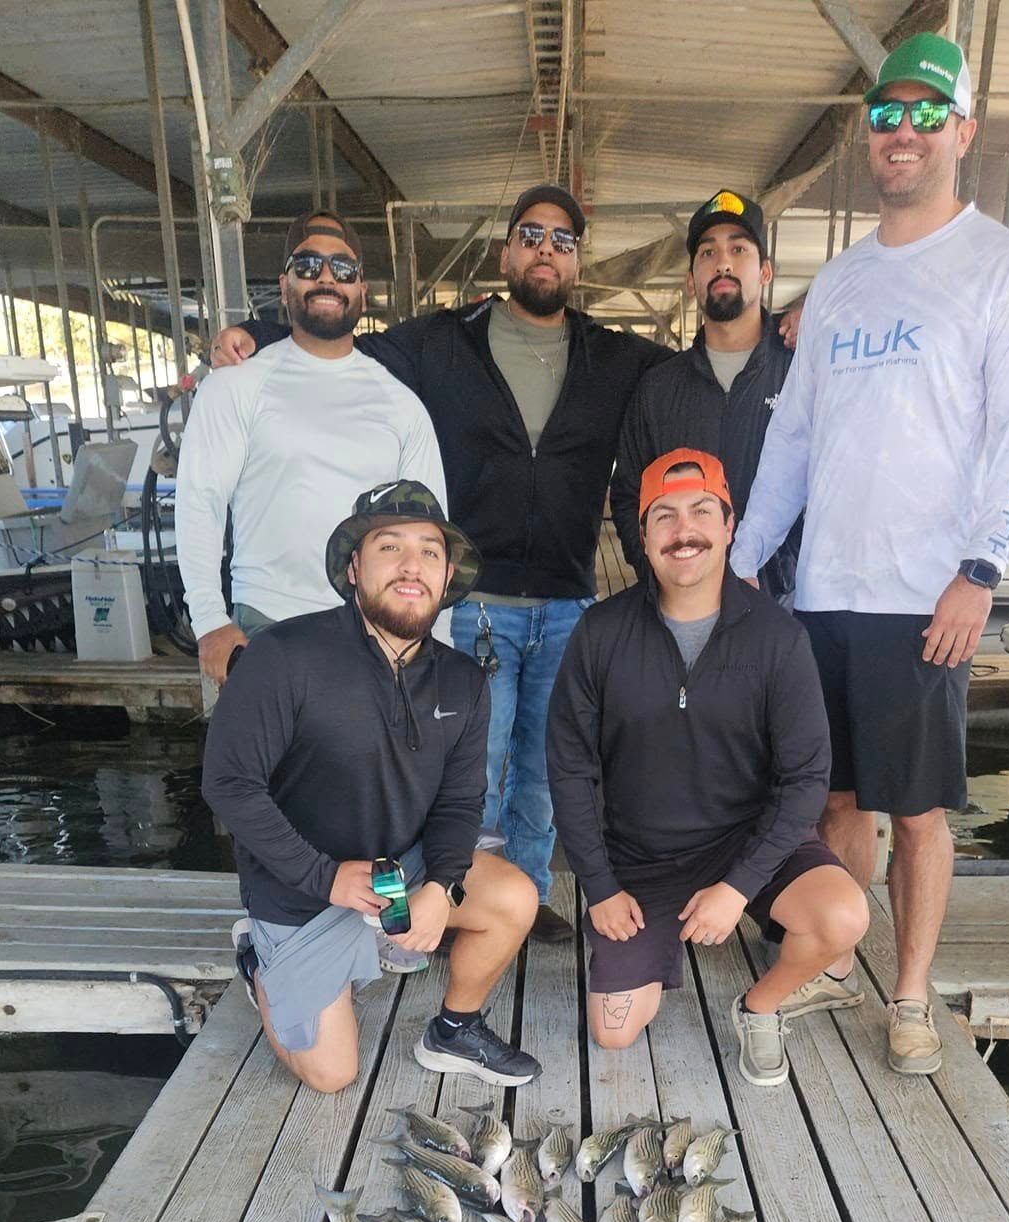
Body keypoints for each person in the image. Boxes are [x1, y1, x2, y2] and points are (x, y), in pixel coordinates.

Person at [207, 185, 672, 942]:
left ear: (578, 260)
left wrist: (784, 331)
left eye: (561, 239)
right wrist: (255, 332)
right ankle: (448, 898)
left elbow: (698, 363)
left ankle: (521, 897)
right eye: (530, 235)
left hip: (565, 598)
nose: (545, 250)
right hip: (477, 596)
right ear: (505, 252)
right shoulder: (442, 340)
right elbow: (340, 334)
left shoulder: (614, 355)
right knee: (471, 766)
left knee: (549, 768)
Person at [730, 32, 1009, 1076]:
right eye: (885, 115)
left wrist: (983, 567)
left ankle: (909, 994)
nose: (902, 133)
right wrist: (742, 563)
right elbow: (795, 439)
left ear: (963, 131)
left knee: (917, 809)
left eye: (926, 114)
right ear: (867, 137)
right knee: (831, 797)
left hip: (928, 594)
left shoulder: (1006, 267)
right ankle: (836, 959)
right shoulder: (840, 283)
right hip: (824, 586)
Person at [201, 482, 541, 1094]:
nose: (412, 566)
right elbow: (229, 784)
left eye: (430, 552)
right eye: (390, 547)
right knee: (332, 1075)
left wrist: (440, 886)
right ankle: (260, 960)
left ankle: (454, 1030)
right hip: (302, 889)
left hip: (399, 872)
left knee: (516, 897)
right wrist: (323, 876)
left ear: (447, 578)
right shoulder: (282, 655)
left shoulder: (464, 681)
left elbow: (460, 803)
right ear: (354, 567)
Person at [546, 450, 869, 1088]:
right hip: (642, 858)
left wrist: (739, 886)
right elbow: (569, 768)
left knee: (843, 917)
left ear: (728, 525)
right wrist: (601, 885)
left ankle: (761, 1006)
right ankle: (650, 945)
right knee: (613, 1032)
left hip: (749, 842)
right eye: (663, 516)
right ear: (643, 540)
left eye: (700, 511)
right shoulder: (600, 632)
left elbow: (806, 779)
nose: (682, 529)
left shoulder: (779, 638)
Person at [175, 212, 445, 687]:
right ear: (284, 286)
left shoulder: (402, 405)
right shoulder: (235, 386)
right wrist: (210, 620)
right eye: (308, 265)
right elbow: (200, 501)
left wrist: (433, 646)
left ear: (362, 289)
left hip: (377, 635)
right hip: (267, 626)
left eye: (343, 269)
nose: (326, 277)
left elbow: (428, 538)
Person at [611, 190, 803, 606]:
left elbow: (829, 485)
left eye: (739, 248)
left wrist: (780, 575)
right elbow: (629, 492)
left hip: (781, 609)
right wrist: (664, 576)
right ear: (691, 279)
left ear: (765, 271)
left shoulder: (801, 373)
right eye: (707, 253)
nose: (724, 263)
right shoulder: (659, 389)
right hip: (679, 611)